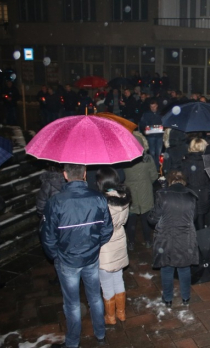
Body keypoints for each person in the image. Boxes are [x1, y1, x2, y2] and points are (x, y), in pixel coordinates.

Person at [40, 164, 113, 348]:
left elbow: (47, 236)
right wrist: (94, 246)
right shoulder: (98, 198)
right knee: (95, 297)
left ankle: (72, 343)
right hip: (90, 258)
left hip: (68, 261)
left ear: (65, 175)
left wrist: (56, 256)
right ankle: (100, 334)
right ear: (84, 174)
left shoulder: (55, 202)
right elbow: (107, 229)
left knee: (72, 304)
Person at [148, 170, 198, 307]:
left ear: (170, 181)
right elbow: (194, 218)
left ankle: (168, 298)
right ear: (184, 182)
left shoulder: (162, 195)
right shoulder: (191, 196)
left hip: (166, 238)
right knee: (184, 268)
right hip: (185, 238)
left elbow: (153, 219)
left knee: (167, 268)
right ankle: (186, 297)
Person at [95, 167, 131, 325]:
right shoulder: (123, 196)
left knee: (106, 282)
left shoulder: (102, 202)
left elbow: (99, 226)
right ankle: (121, 313)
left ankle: (110, 317)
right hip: (120, 238)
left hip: (106, 245)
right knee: (118, 278)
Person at [123, 134, 158, 250]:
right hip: (145, 191)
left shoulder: (124, 159)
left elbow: (121, 176)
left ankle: (131, 243)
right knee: (146, 218)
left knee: (131, 220)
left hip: (130, 192)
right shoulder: (148, 158)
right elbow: (154, 175)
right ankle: (148, 241)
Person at [182, 138, 210, 230]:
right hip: (204, 193)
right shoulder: (206, 161)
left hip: (190, 192)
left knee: (191, 218)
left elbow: (184, 178)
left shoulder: (185, 161)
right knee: (201, 218)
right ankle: (202, 239)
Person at [139, 99, 164, 171]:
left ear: (157, 106)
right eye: (151, 107)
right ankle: (153, 168)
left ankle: (158, 168)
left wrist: (164, 128)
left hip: (159, 136)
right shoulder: (146, 114)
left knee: (158, 153)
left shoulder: (161, 113)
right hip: (150, 136)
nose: (153, 108)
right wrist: (144, 131)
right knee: (152, 152)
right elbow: (142, 123)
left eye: (154, 106)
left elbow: (164, 123)